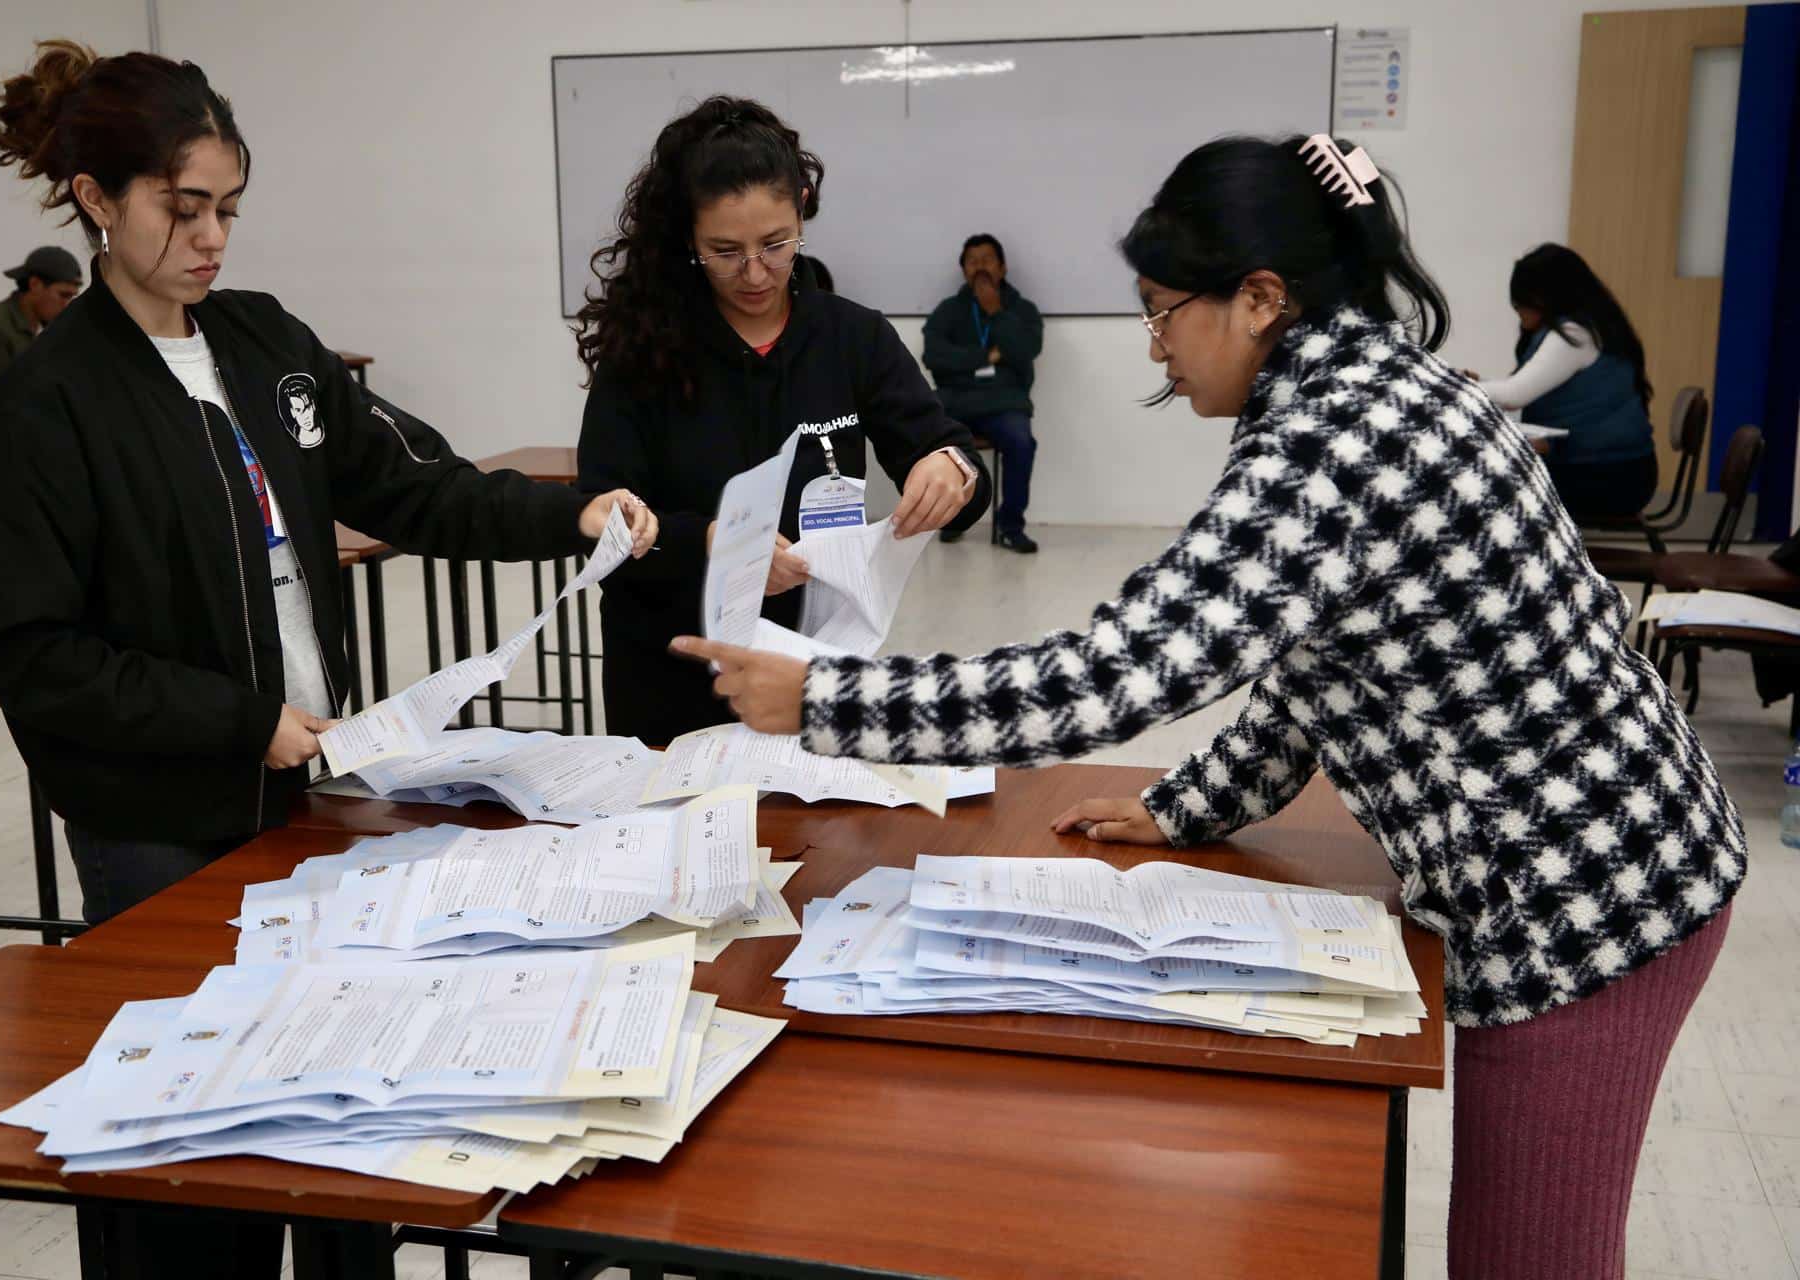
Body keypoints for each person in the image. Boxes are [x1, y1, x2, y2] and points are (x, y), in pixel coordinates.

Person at [674, 134, 1743, 1280]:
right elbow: (1311, 656)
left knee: (1529, 1260)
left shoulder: (1336, 436)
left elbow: (1115, 672)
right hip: (1578, 856)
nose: (1156, 346)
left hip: (1585, 891)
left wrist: (825, 698)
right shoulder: (1360, 381)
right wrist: (1195, 804)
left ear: (1260, 299)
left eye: (1162, 310)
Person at [0, 42, 654, 1275]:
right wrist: (240, 719)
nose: (213, 236)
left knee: (335, 1141)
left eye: (228, 207)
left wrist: (571, 513)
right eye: (183, 207)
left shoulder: (266, 344)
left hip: (312, 802)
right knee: (198, 1168)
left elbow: (416, 486)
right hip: (161, 828)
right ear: (96, 198)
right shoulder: (48, 401)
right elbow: (28, 650)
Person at [575, 95, 990, 745]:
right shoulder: (645, 351)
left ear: (802, 208)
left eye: (776, 244)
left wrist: (952, 470)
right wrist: (715, 546)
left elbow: (945, 454)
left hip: (811, 672)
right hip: (671, 671)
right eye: (724, 250)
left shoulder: (852, 337)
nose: (755, 272)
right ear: (688, 237)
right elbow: (601, 517)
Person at [1474, 243, 1657, 523]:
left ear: (1544, 298)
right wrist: (1480, 385)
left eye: (1521, 302)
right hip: (1619, 469)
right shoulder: (1594, 327)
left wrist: (1450, 385)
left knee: (1487, 486)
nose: (1518, 312)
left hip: (1610, 478)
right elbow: (1526, 387)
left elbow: (1515, 394)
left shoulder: (1574, 334)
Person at [923, 233, 1044, 551]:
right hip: (956, 401)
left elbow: (1026, 350)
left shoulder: (1022, 310)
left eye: (987, 260)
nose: (980, 267)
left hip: (1004, 404)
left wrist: (996, 313)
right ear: (963, 270)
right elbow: (933, 357)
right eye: (972, 261)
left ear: (1002, 268)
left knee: (1021, 440)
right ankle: (953, 517)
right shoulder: (948, 311)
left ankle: (1010, 526)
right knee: (925, 428)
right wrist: (987, 356)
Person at [0, 244, 84, 396]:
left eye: (72, 297)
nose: (67, 305)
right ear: (35, 285)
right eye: (63, 295)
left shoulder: (51, 327)